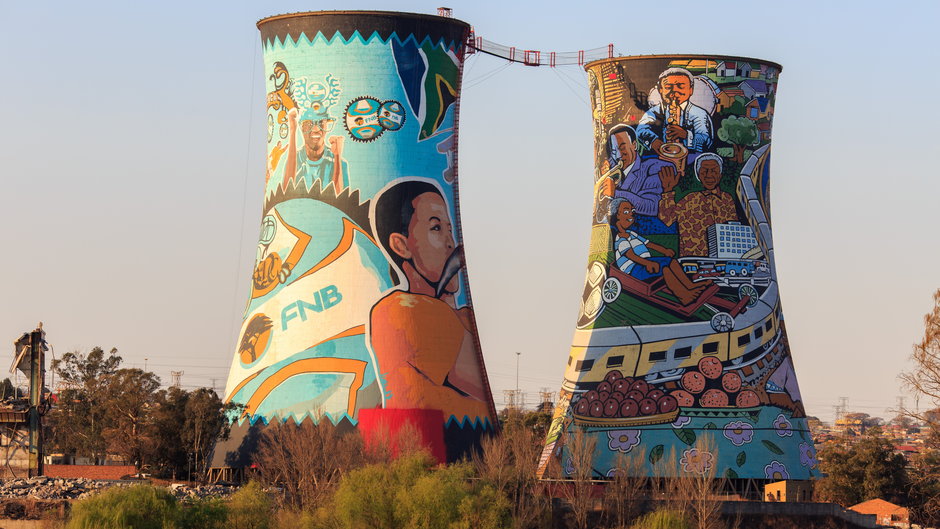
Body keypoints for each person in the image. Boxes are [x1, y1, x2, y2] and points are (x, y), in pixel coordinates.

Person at [369, 180, 490, 420]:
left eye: (450, 229)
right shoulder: (402, 310)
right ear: (401, 245)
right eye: (436, 229)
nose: (450, 242)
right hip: (416, 443)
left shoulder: (457, 317)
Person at [611, 198, 705, 306]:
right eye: (626, 212)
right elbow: (630, 255)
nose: (631, 215)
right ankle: (684, 296)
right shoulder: (620, 238)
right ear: (617, 216)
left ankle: (690, 286)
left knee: (671, 261)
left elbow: (648, 243)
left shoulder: (631, 233)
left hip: (645, 262)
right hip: (633, 269)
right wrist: (648, 263)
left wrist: (664, 250)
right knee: (664, 269)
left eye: (632, 212)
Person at [658, 153, 737, 257]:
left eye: (714, 171)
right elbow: (667, 219)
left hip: (724, 258)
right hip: (693, 259)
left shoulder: (727, 199)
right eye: (704, 171)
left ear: (720, 174)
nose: (709, 175)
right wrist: (667, 190)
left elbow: (734, 229)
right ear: (698, 175)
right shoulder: (689, 199)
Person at [601, 124, 677, 216]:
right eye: (614, 151)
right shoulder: (614, 165)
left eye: (622, 148)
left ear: (634, 145)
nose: (618, 156)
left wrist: (615, 193)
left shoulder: (653, 167)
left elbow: (652, 206)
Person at [637, 68, 713, 154]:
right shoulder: (654, 111)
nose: (674, 91)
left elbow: (705, 139)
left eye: (680, 86)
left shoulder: (699, 114)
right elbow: (641, 129)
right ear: (660, 90)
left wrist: (685, 135)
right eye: (668, 87)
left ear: (690, 90)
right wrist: (653, 141)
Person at [284, 106, 349, 193]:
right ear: (301, 127)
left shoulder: (340, 163)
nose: (316, 129)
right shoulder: (294, 161)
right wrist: (292, 130)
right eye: (309, 123)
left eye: (321, 122)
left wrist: (337, 156)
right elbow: (285, 196)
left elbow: (340, 202)